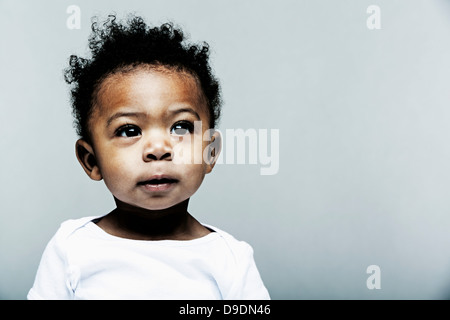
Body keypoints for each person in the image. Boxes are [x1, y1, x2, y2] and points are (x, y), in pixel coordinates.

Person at [27, 14, 270, 300]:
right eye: (129, 130)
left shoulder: (230, 260)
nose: (158, 148)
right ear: (91, 161)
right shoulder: (72, 248)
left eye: (181, 127)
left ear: (210, 152)